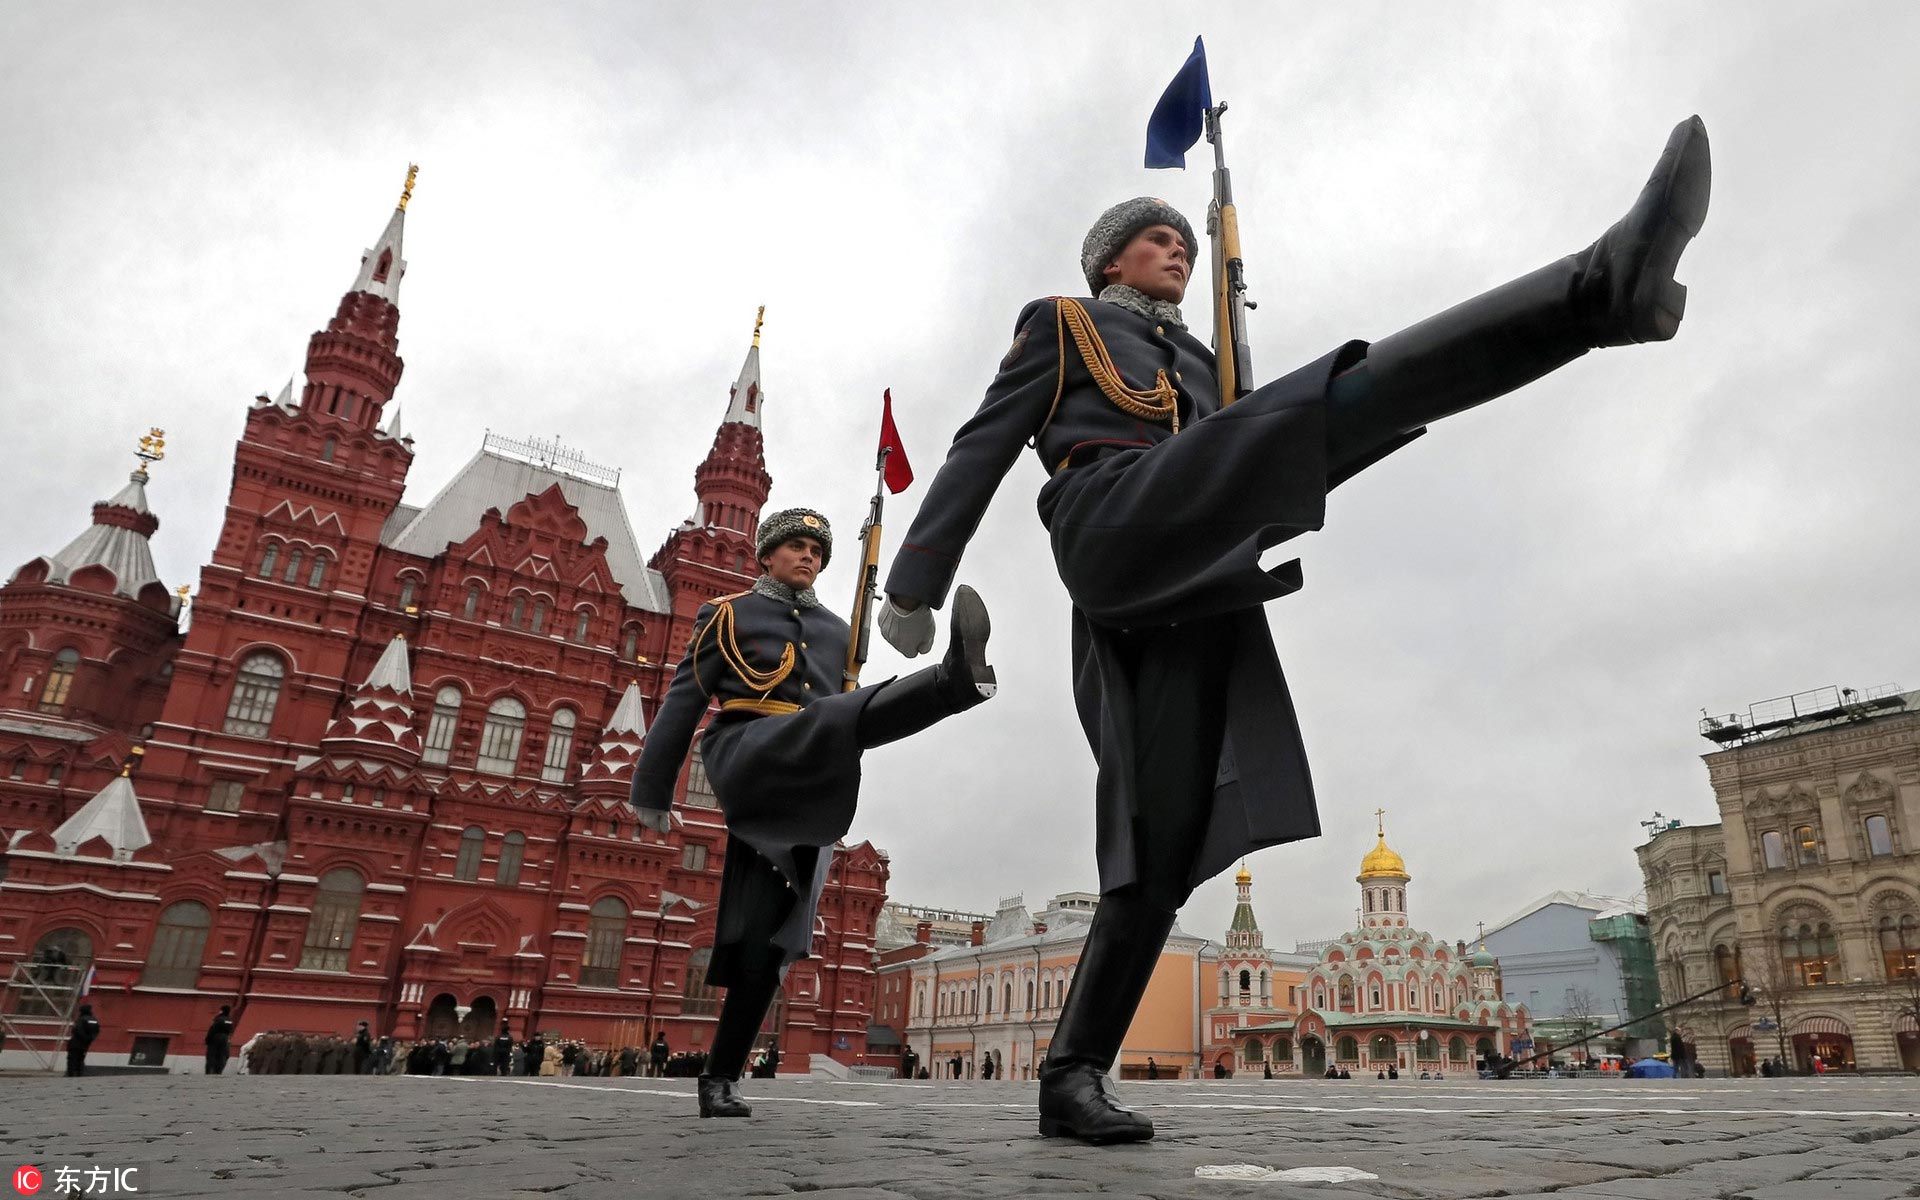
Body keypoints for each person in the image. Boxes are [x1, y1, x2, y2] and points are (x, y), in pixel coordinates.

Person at [882, 118, 1711, 1144]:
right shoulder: (1061, 323)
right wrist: (915, 582)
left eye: (1188, 240)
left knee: (1164, 835)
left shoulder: (1198, 353)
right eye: (1157, 238)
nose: (1177, 248)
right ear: (1107, 259)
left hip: (1192, 571)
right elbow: (982, 443)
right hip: (1113, 521)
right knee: (1325, 406)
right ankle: (1595, 291)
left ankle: (1072, 1075)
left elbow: (1231, 427)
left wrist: (1236, 375)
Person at [631, 509, 996, 1121]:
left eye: (818, 552)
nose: (809, 558)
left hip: (803, 780)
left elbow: (838, 713)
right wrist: (652, 789)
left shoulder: (833, 629)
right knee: (834, 717)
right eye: (796, 547)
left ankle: (720, 1077)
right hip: (745, 750)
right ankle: (953, 683)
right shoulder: (726, 614)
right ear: (766, 556)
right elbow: (683, 700)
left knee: (770, 940)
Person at [66, 1003, 101, 1077]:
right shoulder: (94, 1020)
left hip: (76, 1043)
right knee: (81, 1059)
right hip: (86, 1044)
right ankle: (79, 1074)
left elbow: (77, 1030)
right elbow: (97, 1031)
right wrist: (89, 1039)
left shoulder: (81, 1019)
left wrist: (83, 1037)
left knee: (72, 1059)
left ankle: (71, 1075)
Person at [204, 1005, 235, 1075]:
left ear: (221, 1011)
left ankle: (210, 1071)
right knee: (222, 1055)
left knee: (211, 1055)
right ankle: (218, 1071)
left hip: (215, 1037)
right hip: (225, 1038)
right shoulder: (230, 1020)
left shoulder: (218, 1019)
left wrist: (207, 1039)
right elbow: (231, 1030)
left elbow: (212, 1029)